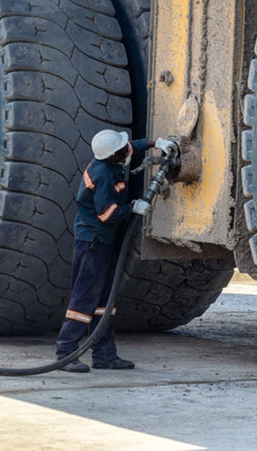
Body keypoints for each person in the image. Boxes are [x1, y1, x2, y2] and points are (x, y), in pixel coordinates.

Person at [55, 129, 174, 372]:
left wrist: (157, 143)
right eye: (121, 150)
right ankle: (65, 351)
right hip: (92, 243)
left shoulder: (111, 157)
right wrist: (132, 208)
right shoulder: (103, 175)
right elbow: (106, 214)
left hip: (102, 242)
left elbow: (131, 146)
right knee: (85, 297)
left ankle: (104, 355)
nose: (127, 150)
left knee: (105, 299)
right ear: (112, 156)